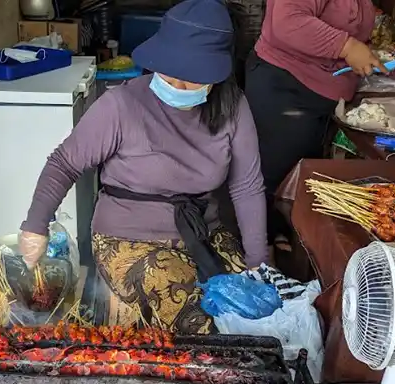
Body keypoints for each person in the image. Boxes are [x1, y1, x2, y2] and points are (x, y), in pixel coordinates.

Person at [18, 0, 268, 335]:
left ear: (217, 75)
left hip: (202, 233)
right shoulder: (121, 106)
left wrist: (259, 262)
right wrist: (35, 226)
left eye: (191, 80)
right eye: (169, 73)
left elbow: (247, 187)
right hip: (127, 238)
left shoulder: (233, 107)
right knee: (202, 324)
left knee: (258, 312)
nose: (176, 87)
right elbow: (64, 163)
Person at [244, 0, 385, 251]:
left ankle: (289, 234)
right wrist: (347, 46)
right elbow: (288, 22)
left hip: (324, 91)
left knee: (303, 170)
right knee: (276, 171)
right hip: (286, 83)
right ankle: (260, 248)